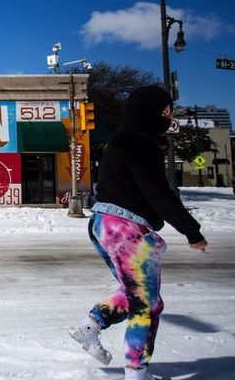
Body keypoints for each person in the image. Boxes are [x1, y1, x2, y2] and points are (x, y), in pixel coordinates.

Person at [68, 86, 208, 380]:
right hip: (127, 228)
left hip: (102, 224)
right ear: (148, 112)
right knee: (146, 305)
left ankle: (91, 325)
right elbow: (158, 193)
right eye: (164, 112)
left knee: (135, 294)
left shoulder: (118, 142)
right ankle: (137, 372)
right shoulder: (141, 143)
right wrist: (191, 230)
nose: (167, 118)